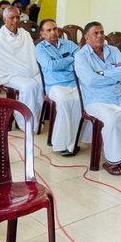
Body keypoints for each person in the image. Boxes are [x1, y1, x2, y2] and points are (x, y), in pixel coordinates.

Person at [75, 22, 121, 174]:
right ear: (86, 37)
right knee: (113, 118)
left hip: (119, 97)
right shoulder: (81, 56)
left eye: (102, 32)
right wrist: (113, 74)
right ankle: (113, 161)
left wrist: (102, 73)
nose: (100, 36)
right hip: (96, 101)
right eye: (96, 33)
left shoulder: (113, 50)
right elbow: (90, 80)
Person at [0, 5, 44, 132]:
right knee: (29, 86)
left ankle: (36, 120)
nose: (15, 20)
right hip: (8, 73)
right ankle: (23, 122)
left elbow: (31, 55)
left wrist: (27, 70)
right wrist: (20, 71)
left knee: (41, 83)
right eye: (12, 18)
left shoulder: (25, 34)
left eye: (17, 17)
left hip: (27, 70)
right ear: (4, 19)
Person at [35, 19, 82, 154]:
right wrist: (70, 59)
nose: (53, 32)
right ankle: (61, 144)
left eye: (54, 29)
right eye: (48, 30)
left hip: (73, 82)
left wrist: (62, 63)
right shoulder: (40, 48)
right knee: (65, 102)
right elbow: (51, 65)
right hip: (54, 85)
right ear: (42, 34)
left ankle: (74, 142)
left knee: (81, 101)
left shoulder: (69, 44)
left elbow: (80, 60)